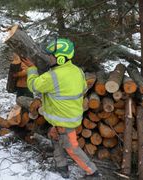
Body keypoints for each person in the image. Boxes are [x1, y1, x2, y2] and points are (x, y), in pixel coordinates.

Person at [22, 38, 99, 179]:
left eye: (51, 56)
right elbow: (83, 89)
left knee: (72, 148)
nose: (49, 58)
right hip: (67, 117)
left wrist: (31, 69)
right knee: (55, 139)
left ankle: (93, 172)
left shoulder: (53, 76)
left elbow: (34, 85)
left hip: (65, 120)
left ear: (61, 59)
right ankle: (61, 167)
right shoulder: (77, 71)